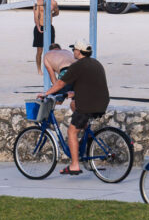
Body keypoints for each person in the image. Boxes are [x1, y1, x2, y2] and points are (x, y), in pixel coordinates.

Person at [37, 39, 109, 176]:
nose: (73, 52)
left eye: (74, 49)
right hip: (102, 102)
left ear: (78, 51)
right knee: (75, 108)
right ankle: (86, 137)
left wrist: (46, 93)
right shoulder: (95, 63)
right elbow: (87, 83)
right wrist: (73, 92)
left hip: (88, 104)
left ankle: (75, 165)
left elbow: (59, 84)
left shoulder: (78, 66)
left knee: (71, 131)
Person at [34, 0, 59, 75]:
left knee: (51, 50)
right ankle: (39, 69)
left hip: (49, 27)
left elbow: (57, 12)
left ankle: (50, 68)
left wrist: (51, 15)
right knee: (39, 50)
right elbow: (36, 16)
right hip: (40, 26)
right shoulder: (38, 2)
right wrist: (37, 26)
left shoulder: (53, 2)